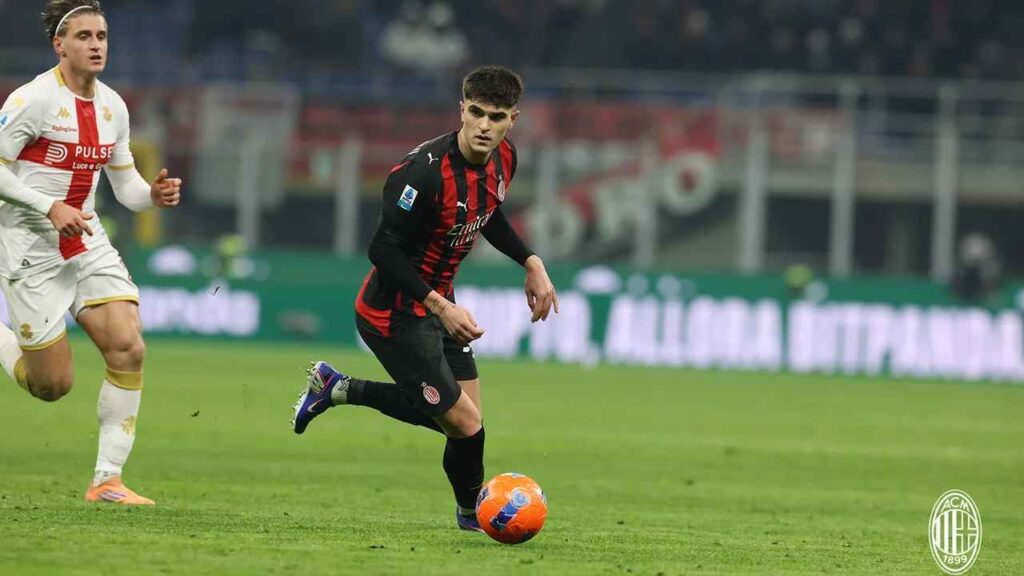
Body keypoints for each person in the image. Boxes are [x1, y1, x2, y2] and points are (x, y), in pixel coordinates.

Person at [292, 66, 558, 531]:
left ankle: (336, 387)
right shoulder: (422, 174)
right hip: (393, 313)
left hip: (440, 303)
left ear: (512, 120)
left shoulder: (504, 158)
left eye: (496, 117)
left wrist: (530, 261)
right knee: (465, 424)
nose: (484, 125)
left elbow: (488, 212)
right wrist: (441, 306)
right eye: (476, 112)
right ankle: (473, 514)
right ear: (461, 110)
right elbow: (382, 249)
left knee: (465, 420)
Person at [0, 0, 182, 505]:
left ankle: (107, 480)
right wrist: (48, 205)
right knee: (52, 386)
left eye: (101, 36)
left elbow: (126, 187)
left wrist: (153, 196)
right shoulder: (32, 100)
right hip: (30, 245)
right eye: (84, 36)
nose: (96, 45)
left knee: (128, 346)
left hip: (85, 236)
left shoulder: (113, 107)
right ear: (59, 44)